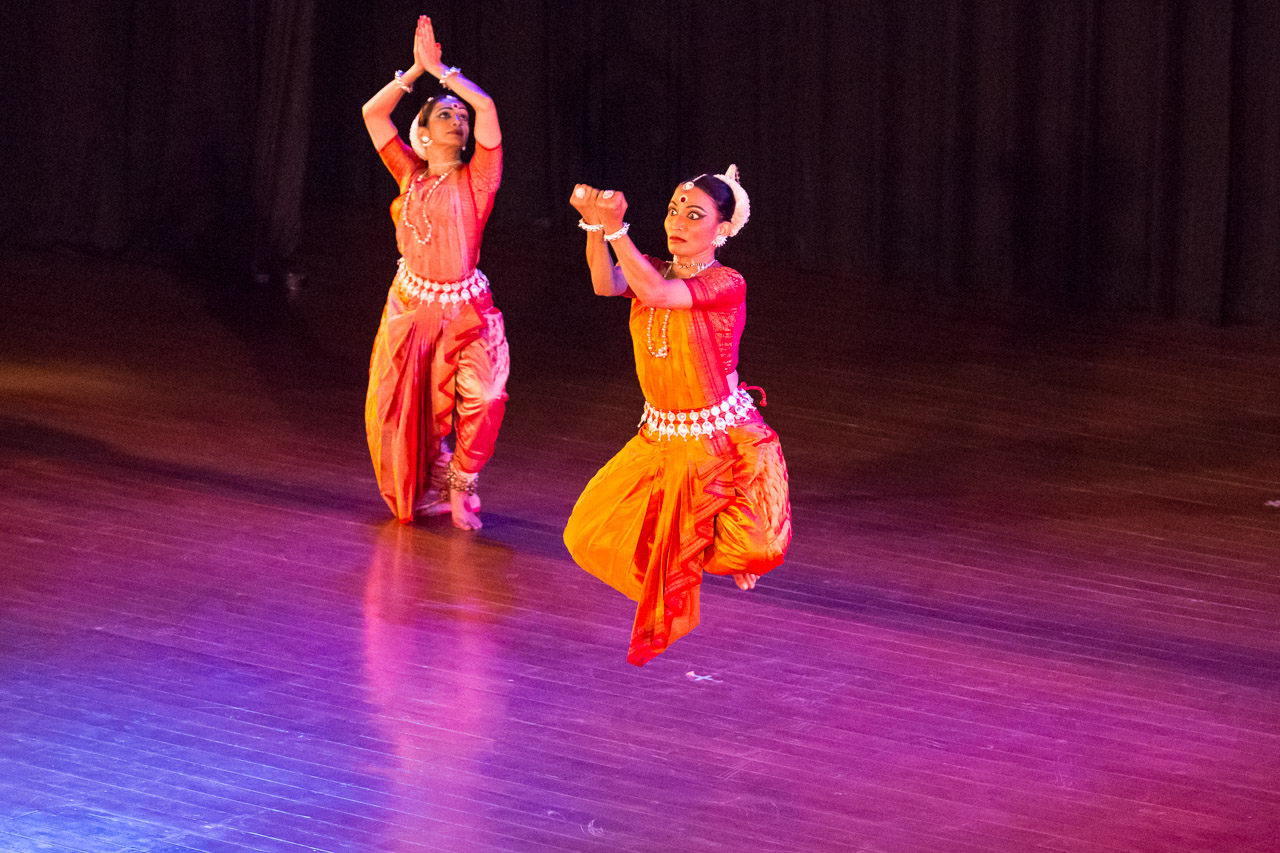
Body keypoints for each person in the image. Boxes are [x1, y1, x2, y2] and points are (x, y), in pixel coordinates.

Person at [563, 168, 792, 666]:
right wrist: (595, 225)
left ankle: (713, 543)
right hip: (661, 438)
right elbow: (606, 283)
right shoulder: (652, 268)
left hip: (717, 439)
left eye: (694, 215)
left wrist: (615, 228)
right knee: (585, 534)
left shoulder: (725, 282)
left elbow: (659, 296)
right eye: (673, 211)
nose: (677, 223)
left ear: (722, 229)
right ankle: (692, 557)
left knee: (755, 551)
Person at [361, 16, 507, 530]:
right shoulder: (408, 173)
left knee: (485, 397)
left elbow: (486, 107)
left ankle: (462, 483)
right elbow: (373, 113)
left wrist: (442, 72)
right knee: (401, 411)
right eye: (445, 113)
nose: (458, 118)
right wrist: (413, 73)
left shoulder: (479, 179)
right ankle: (432, 484)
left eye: (459, 116)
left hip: (465, 311)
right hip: (408, 308)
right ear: (421, 134)